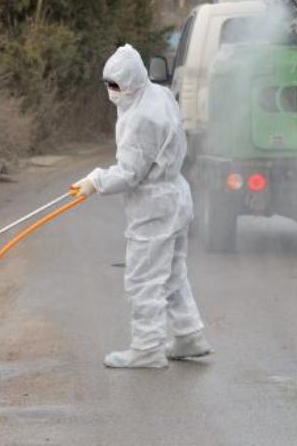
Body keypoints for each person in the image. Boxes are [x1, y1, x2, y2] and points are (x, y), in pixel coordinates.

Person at [70, 44, 211, 369]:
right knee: (173, 273)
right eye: (108, 85)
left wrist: (95, 181)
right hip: (175, 197)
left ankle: (147, 348)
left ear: (133, 80)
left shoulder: (141, 118)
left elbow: (131, 173)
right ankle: (189, 334)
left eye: (116, 85)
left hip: (154, 208)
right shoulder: (157, 95)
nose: (111, 92)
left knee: (143, 278)